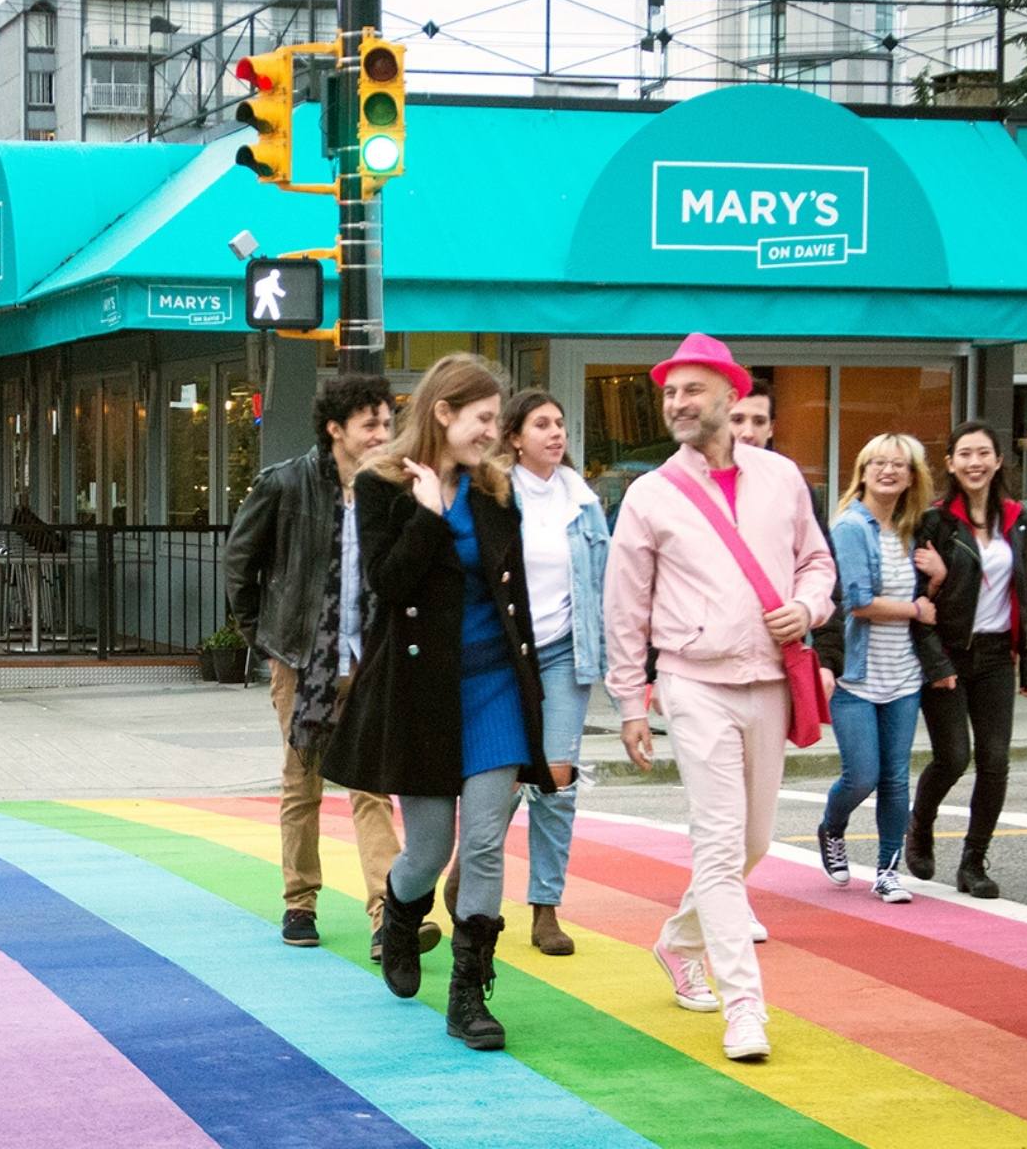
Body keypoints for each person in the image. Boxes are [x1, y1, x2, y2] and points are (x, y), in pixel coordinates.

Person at [604, 333, 835, 1064]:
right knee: (717, 842)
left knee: (754, 843)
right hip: (693, 680)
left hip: (769, 680)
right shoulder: (649, 494)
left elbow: (816, 561)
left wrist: (809, 607)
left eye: (691, 390)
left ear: (731, 397)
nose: (676, 402)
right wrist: (630, 700)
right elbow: (624, 605)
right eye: (670, 392)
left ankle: (677, 940)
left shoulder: (781, 477)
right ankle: (745, 1007)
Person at [324, 354, 556, 1053]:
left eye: (497, 419)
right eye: (484, 418)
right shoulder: (381, 485)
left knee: (483, 842)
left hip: (494, 689)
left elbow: (511, 598)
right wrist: (426, 517)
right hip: (423, 694)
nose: (495, 431)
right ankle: (399, 913)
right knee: (429, 848)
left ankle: (468, 994)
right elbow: (388, 588)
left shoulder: (497, 490)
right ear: (444, 412)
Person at [223, 375, 438, 961]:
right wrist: (266, 640)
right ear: (335, 428)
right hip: (302, 660)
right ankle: (300, 901)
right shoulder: (286, 484)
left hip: (369, 659)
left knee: (372, 785)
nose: (382, 434)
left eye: (387, 424)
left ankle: (385, 912)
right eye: (370, 424)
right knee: (303, 781)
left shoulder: (392, 488)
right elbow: (240, 564)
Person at [906, 421, 1027, 901]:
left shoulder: (1016, 518)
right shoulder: (936, 520)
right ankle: (919, 825)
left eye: (984, 453)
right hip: (948, 653)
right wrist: (937, 664)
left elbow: (1023, 591)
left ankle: (973, 861)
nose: (975, 462)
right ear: (950, 463)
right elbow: (917, 601)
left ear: (999, 460)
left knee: (996, 760)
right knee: (953, 757)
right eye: (965, 454)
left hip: (997, 654)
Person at [724, 383, 840, 942]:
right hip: (706, 672)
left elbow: (819, 566)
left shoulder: (791, 486)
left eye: (757, 420)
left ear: (772, 427)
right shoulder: (683, 486)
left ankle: (722, 893)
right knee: (723, 810)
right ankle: (726, 908)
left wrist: (821, 644)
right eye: (737, 418)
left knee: (755, 824)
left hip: (774, 668)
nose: (746, 430)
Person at [817, 434, 951, 905]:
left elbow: (925, 607)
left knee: (896, 777)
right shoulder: (852, 528)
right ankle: (832, 827)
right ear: (863, 470)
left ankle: (888, 871)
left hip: (903, 675)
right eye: (878, 462)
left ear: (912, 475)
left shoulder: (914, 530)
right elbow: (857, 603)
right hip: (855, 675)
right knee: (862, 776)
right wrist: (915, 609)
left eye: (898, 464)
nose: (888, 471)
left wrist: (936, 579)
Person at [501, 388, 609, 957]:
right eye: (541, 423)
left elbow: (607, 583)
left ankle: (545, 908)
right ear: (515, 437)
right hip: (505, 654)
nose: (555, 432)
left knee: (556, 781)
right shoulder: (495, 495)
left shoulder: (583, 503)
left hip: (565, 653)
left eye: (560, 422)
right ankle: (474, 872)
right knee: (500, 778)